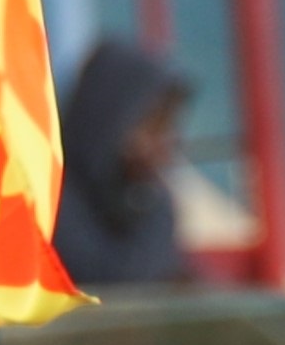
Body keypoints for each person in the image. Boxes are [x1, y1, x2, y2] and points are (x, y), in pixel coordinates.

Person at [55, 36, 192, 289]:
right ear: (109, 119)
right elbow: (113, 284)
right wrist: (159, 210)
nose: (166, 144)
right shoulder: (53, 196)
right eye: (154, 126)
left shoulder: (131, 197)